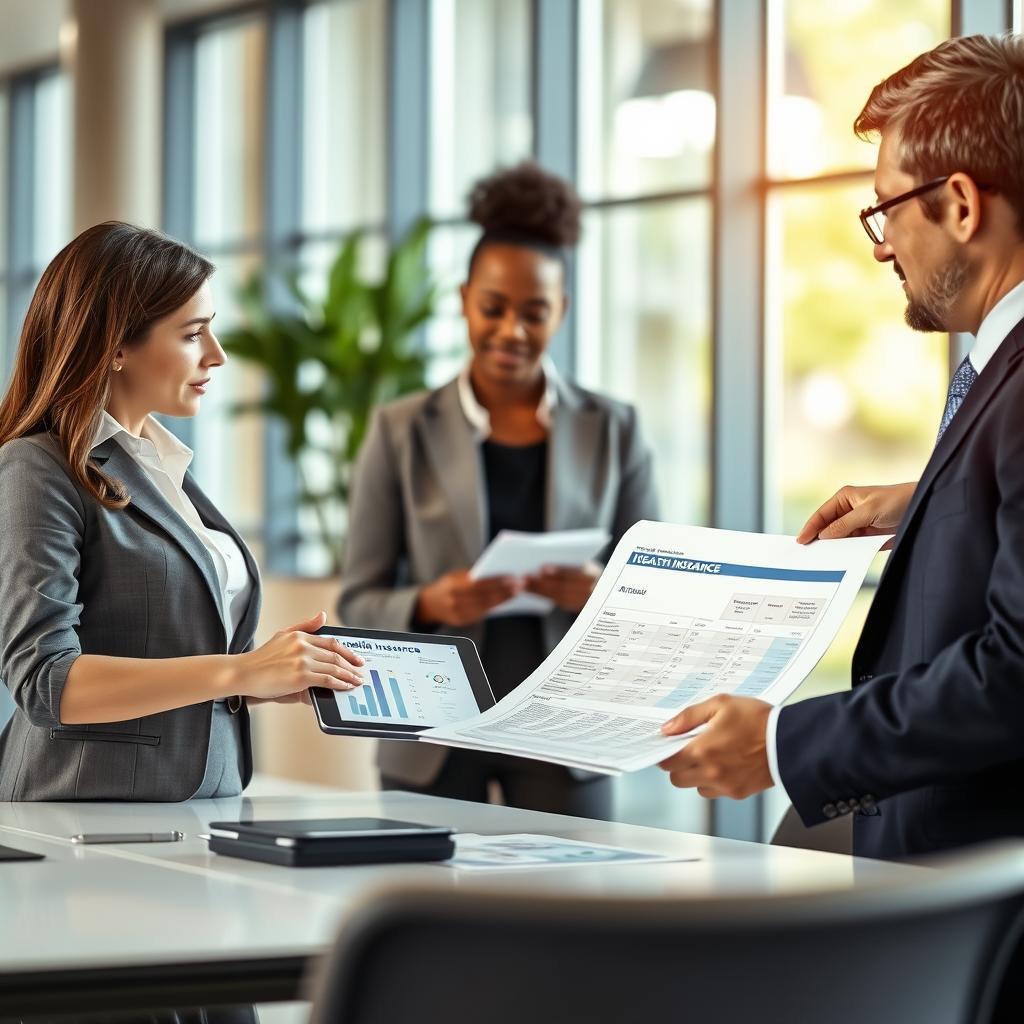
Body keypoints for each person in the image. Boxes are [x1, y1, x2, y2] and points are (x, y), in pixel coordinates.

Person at [658, 34, 1024, 865]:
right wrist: (931, 496)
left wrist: (785, 745)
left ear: (961, 204)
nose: (880, 245)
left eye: (886, 208)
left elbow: (1014, 672)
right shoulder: (1001, 366)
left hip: (982, 902)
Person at [0, 221, 365, 801]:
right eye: (193, 334)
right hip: (80, 812)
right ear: (116, 345)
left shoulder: (165, 468)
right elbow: (46, 681)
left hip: (201, 806)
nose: (217, 356)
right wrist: (239, 671)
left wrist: (264, 678)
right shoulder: (35, 468)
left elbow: (167, 652)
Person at [339, 162, 659, 817]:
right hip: (431, 731)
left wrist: (601, 589)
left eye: (534, 312)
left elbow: (654, 591)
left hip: (565, 731)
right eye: (493, 308)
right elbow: (357, 601)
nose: (512, 330)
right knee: (430, 904)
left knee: (563, 909)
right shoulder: (400, 430)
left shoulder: (615, 429)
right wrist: (429, 601)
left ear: (562, 311)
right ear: (464, 301)